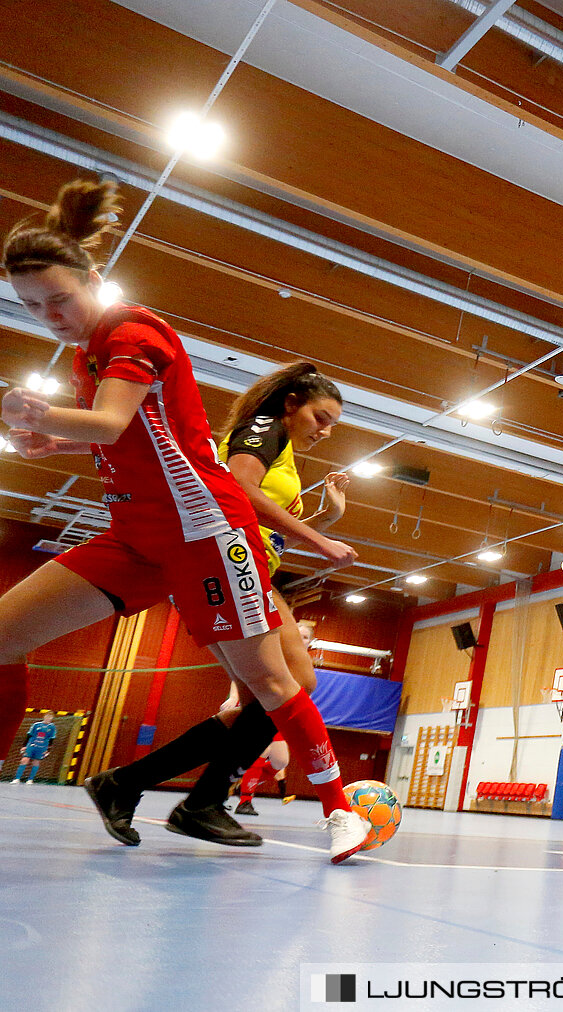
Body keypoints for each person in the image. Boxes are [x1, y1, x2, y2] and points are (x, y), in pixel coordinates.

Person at [0, 178, 369, 863]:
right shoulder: (88, 352)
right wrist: (58, 440)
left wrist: (42, 415)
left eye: (59, 298)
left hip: (205, 535)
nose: (48, 314)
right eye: (30, 306)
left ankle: (341, 812)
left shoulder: (133, 331)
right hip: (135, 535)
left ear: (95, 279)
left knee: (271, 683)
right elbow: (131, 432)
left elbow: (113, 420)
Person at [84, 362, 357, 847]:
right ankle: (198, 801)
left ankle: (131, 786)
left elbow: (270, 523)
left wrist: (327, 516)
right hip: (230, 564)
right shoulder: (264, 427)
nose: (327, 430)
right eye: (322, 416)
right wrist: (316, 537)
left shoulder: (284, 447)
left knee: (262, 703)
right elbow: (238, 491)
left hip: (253, 568)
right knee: (293, 687)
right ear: (292, 403)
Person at [14, 711, 56, 783]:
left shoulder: (52, 727)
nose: (48, 718)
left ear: (52, 718)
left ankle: (30, 779)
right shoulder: (36, 725)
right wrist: (24, 746)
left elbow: (52, 739)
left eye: (50, 717)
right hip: (32, 745)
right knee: (24, 760)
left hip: (42, 747)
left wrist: (48, 749)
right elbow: (29, 735)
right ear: (44, 717)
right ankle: (17, 778)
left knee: (36, 762)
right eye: (47, 716)